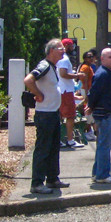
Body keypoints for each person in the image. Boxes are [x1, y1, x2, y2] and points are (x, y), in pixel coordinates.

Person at [23, 39, 69, 194]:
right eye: (60, 48)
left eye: (63, 48)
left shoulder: (53, 67)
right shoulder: (44, 66)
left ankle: (52, 179)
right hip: (45, 115)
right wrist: (38, 94)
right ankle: (37, 183)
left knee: (54, 147)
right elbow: (29, 80)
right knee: (43, 148)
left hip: (53, 113)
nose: (63, 50)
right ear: (51, 50)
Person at [86, 47, 111, 185]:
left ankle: (97, 172)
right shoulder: (103, 74)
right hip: (105, 114)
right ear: (102, 59)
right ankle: (103, 175)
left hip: (108, 113)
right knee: (105, 145)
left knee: (103, 144)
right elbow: (94, 92)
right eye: (110, 57)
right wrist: (91, 106)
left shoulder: (109, 73)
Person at [57, 38, 85, 149]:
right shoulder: (64, 59)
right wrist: (77, 75)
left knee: (60, 115)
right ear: (67, 46)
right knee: (70, 116)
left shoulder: (60, 58)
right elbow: (63, 74)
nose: (73, 48)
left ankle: (59, 139)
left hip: (62, 89)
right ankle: (70, 140)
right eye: (72, 46)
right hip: (65, 91)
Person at [77, 50, 97, 141]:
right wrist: (86, 92)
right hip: (86, 90)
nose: (91, 58)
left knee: (89, 111)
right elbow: (83, 79)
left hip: (88, 90)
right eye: (89, 57)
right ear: (85, 59)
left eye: (92, 56)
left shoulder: (89, 67)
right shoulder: (85, 67)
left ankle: (89, 131)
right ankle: (87, 131)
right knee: (88, 110)